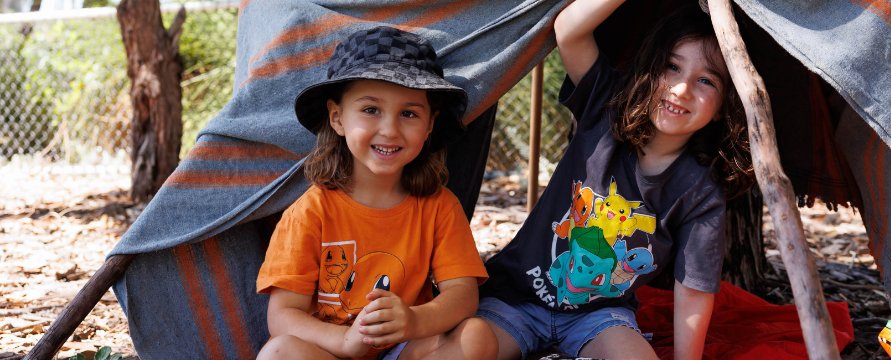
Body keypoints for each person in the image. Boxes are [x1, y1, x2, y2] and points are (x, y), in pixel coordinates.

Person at [477, 2, 754, 359]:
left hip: (599, 317)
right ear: (650, 68)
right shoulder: (604, 107)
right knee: (467, 348)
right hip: (515, 299)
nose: (682, 89)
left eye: (706, 80)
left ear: (723, 106)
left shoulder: (700, 191)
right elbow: (569, 31)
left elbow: (693, 288)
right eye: (672, 66)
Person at [255, 26, 495, 360]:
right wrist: (344, 342)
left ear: (428, 126)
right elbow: (282, 316)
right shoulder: (310, 213)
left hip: (404, 348)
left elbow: (463, 295)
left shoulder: (439, 207)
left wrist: (413, 319)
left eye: (409, 113)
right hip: (332, 350)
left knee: (477, 337)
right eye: (371, 110)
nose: (390, 129)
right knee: (279, 352)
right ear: (337, 118)